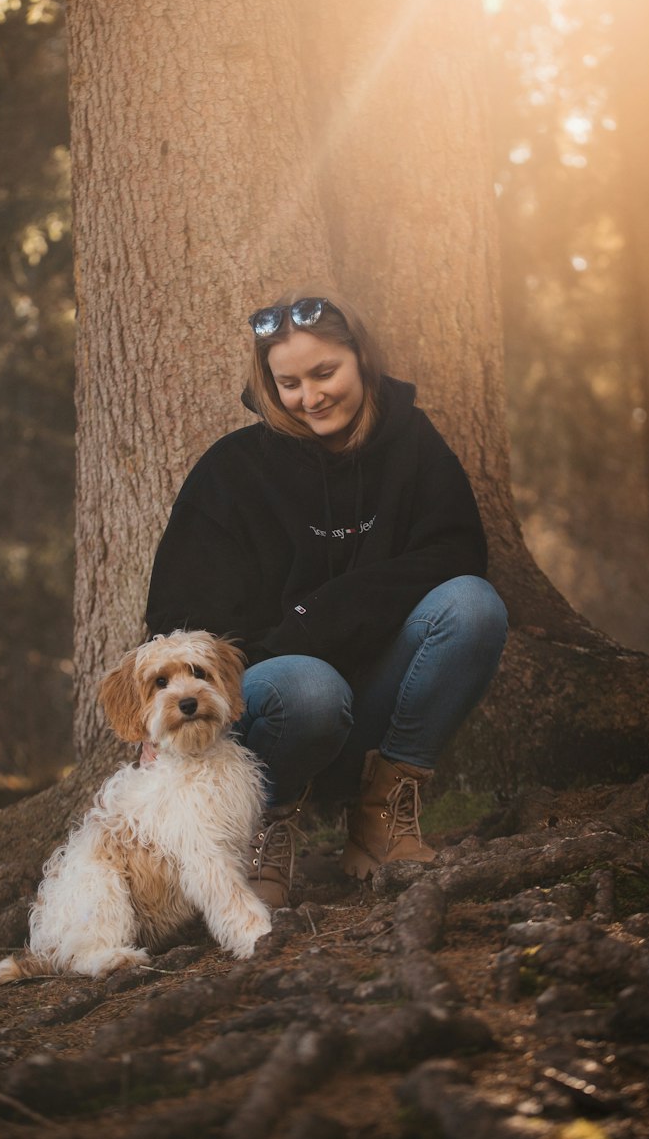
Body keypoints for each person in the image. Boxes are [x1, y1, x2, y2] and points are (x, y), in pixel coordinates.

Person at [144, 293, 507, 907]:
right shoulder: (234, 470)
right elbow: (179, 621)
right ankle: (265, 827)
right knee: (310, 686)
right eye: (288, 383)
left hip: (381, 705)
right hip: (275, 707)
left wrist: (324, 610)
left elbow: (456, 553)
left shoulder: (411, 443)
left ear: (361, 358)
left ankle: (380, 819)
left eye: (324, 373)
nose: (309, 397)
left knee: (474, 607)